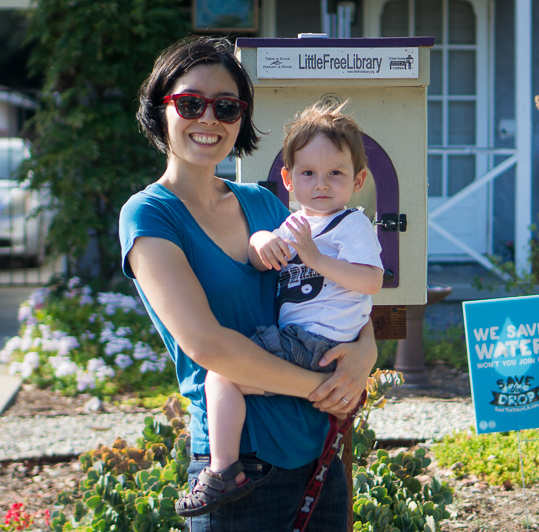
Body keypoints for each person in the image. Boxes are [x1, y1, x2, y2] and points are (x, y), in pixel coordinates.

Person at [119, 36, 376, 532]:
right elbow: (208, 346)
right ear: (160, 110)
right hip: (241, 468)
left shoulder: (263, 203)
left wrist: (366, 353)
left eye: (227, 106)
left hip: (315, 451)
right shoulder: (150, 215)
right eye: (191, 103)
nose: (209, 118)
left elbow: (327, 290)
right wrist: (326, 387)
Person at [178, 101, 384, 517]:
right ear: (288, 180)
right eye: (308, 173)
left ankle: (220, 471)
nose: (321, 184)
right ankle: (224, 467)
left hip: (316, 344)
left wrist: (317, 259)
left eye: (336, 174)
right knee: (225, 374)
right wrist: (259, 243)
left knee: (223, 375)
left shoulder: (351, 224)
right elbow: (261, 261)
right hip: (300, 342)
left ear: (358, 180)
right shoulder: (294, 222)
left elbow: (371, 281)